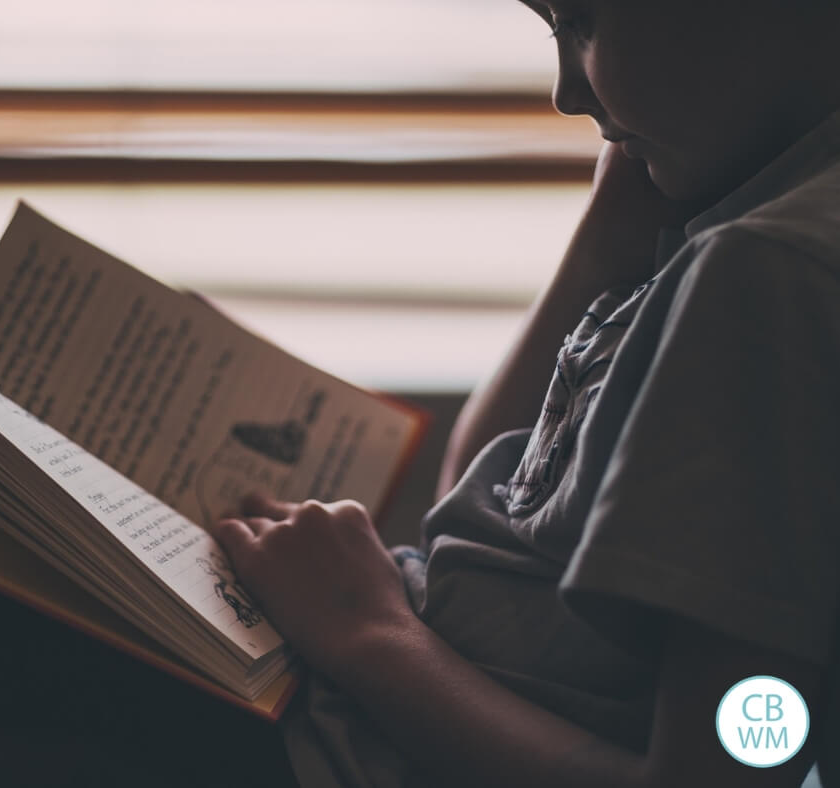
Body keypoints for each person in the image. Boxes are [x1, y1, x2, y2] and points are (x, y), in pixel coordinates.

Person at [211, 1, 840, 786]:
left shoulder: (769, 272)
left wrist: (367, 633)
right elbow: (493, 516)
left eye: (581, 22)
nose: (566, 95)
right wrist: (617, 214)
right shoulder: (746, 208)